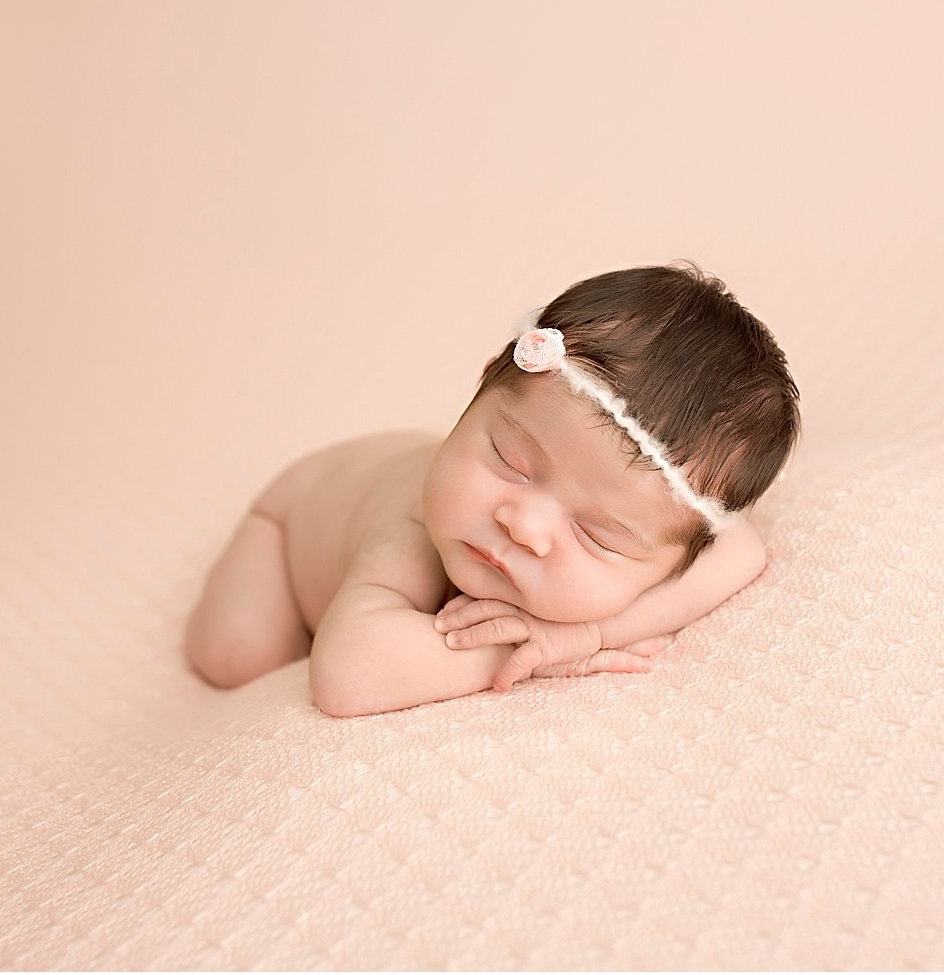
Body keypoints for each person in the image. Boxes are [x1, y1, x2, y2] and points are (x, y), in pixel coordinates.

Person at [183, 262, 801, 717]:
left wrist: (583, 634)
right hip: (300, 510)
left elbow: (741, 551)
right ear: (476, 395)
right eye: (510, 459)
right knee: (237, 655)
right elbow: (348, 674)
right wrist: (524, 653)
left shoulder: (678, 531)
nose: (523, 525)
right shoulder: (413, 529)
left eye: (597, 534)